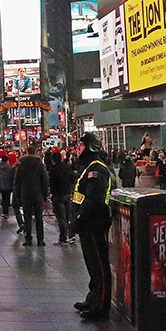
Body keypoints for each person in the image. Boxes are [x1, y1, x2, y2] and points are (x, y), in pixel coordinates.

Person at [72, 133, 113, 321]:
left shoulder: (96, 169)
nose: (77, 149)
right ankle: (92, 299)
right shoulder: (88, 168)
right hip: (87, 224)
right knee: (92, 265)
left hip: (93, 223)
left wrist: (79, 216)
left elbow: (94, 198)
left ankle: (101, 306)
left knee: (99, 265)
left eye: (81, 145)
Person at [13, 144, 49, 246]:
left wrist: (18, 195)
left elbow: (17, 181)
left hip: (25, 194)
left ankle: (28, 238)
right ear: (35, 152)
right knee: (39, 218)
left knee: (27, 217)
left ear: (27, 152)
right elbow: (44, 180)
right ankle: (40, 239)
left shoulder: (21, 165)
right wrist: (45, 195)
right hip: (38, 194)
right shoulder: (39, 164)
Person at [49, 150, 76, 244]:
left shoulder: (53, 170)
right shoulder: (67, 167)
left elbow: (51, 183)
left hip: (57, 195)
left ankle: (63, 237)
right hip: (67, 193)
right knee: (69, 215)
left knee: (61, 217)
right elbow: (73, 177)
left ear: (53, 160)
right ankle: (71, 235)